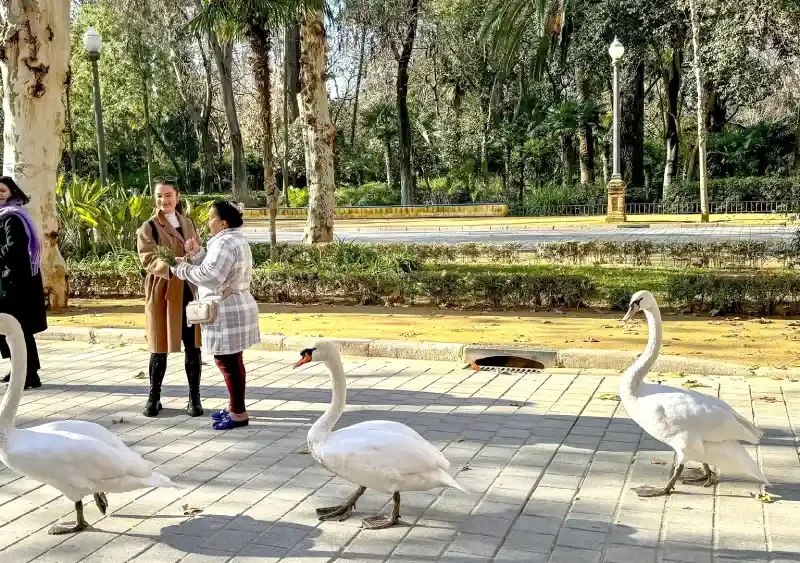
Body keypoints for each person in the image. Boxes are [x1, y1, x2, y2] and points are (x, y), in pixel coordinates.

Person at [172, 199, 260, 430]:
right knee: (233, 360)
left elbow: (212, 277)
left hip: (226, 309)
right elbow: (216, 268)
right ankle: (235, 406)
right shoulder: (231, 239)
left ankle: (239, 413)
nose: (208, 222)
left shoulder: (224, 243)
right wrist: (198, 254)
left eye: (211, 218)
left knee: (227, 361)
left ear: (222, 223)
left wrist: (183, 269)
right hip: (234, 304)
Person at [136, 178, 203, 417]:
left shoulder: (188, 223)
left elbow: (198, 252)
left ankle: (194, 400)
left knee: (193, 345)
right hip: (162, 291)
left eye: (168, 195)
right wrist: (174, 265)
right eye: (159, 196)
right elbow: (148, 260)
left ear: (178, 196)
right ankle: (153, 399)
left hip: (188, 290)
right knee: (159, 346)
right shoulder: (149, 226)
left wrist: (194, 256)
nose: (163, 200)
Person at [0, 177, 46, 390]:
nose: (0, 194)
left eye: (2, 190)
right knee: (13, 328)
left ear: (11, 191)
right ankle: (21, 369)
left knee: (17, 328)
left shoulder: (12, 217)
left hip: (17, 282)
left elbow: (15, 248)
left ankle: (28, 373)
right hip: (11, 279)